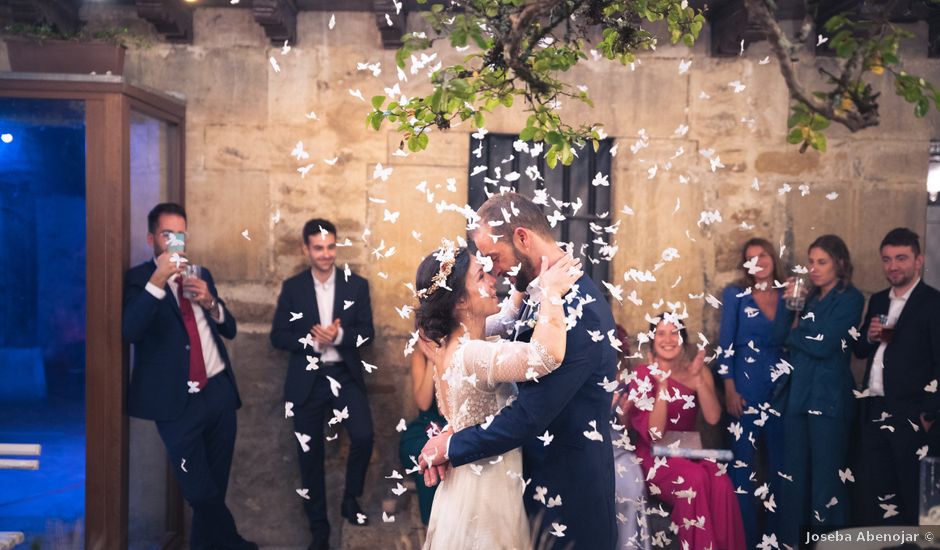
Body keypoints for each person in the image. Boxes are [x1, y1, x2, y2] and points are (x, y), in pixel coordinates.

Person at [420, 192, 619, 549]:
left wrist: (451, 445)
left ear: (522, 238)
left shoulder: (578, 307)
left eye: (494, 258)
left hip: (568, 498)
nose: (494, 271)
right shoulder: (537, 296)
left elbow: (529, 413)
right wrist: (455, 431)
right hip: (518, 493)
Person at [415, 241, 583, 549]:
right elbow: (546, 355)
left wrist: (523, 280)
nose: (493, 278)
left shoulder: (460, 338)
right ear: (461, 302)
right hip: (486, 492)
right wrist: (550, 291)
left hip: (474, 480)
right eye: (481, 276)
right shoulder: (471, 353)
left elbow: (506, 318)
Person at [122, 203, 257, 550]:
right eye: (167, 234)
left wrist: (211, 301)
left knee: (215, 488)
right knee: (200, 493)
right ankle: (237, 546)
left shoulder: (201, 273)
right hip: (175, 405)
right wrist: (158, 279)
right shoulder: (138, 279)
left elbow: (229, 328)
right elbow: (130, 331)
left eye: (180, 234)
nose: (174, 241)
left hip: (218, 393)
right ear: (152, 237)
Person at [269, 219, 375, 550]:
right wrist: (314, 341)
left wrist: (340, 336)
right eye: (318, 248)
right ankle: (319, 532)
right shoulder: (293, 288)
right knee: (309, 457)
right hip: (308, 381)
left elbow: (367, 332)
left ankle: (350, 498)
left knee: (364, 435)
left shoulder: (356, 285)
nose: (326, 254)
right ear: (306, 249)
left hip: (344, 374)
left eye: (331, 247)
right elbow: (278, 336)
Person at [625, 317, 745, 550]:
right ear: (652, 341)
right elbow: (655, 434)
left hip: (687, 451)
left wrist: (698, 380)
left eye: (674, 333)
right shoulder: (642, 374)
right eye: (661, 333)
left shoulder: (697, 372)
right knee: (694, 479)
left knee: (721, 481)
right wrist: (661, 386)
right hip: (653, 457)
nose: (668, 339)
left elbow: (713, 418)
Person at [777, 234, 864, 546]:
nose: (813, 268)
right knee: (794, 480)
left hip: (829, 398)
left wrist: (798, 333)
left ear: (839, 263)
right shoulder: (808, 298)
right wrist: (789, 308)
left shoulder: (852, 298)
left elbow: (826, 345)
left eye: (821, 262)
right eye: (811, 262)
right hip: (799, 395)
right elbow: (780, 335)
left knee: (826, 482)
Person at [852, 228, 940, 526]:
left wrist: (928, 414)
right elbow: (861, 350)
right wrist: (869, 334)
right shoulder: (877, 300)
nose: (893, 266)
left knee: (912, 496)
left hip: (911, 414)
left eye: (901, 258)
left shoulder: (933, 303)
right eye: (887, 259)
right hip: (876, 408)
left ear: (918, 261)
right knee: (878, 493)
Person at [717, 237, 788, 547]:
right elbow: (725, 344)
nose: (758, 262)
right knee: (743, 465)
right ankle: (742, 540)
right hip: (745, 386)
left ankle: (776, 539)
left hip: (783, 387)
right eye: (750, 258)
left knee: (781, 466)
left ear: (773, 257)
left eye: (763, 255)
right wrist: (729, 387)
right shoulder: (736, 295)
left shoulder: (791, 294)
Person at [609, 325, 651, 550]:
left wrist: (624, 416)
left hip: (618, 451)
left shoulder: (628, 382)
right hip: (586, 451)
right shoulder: (581, 374)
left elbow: (630, 433)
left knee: (629, 484)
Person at [398, 348, 447, 526]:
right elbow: (424, 403)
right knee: (427, 453)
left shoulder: (458, 346)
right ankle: (432, 528)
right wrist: (432, 361)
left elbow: (445, 409)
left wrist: (443, 357)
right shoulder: (420, 354)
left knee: (443, 451)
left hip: (451, 423)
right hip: (424, 427)